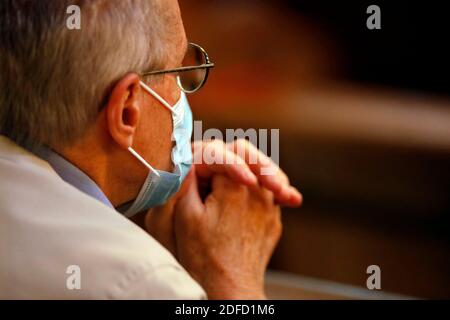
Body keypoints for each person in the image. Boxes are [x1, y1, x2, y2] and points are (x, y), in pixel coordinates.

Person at [0, 0, 301, 299]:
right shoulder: (146, 284)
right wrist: (233, 283)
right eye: (179, 70)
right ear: (127, 111)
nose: (183, 94)